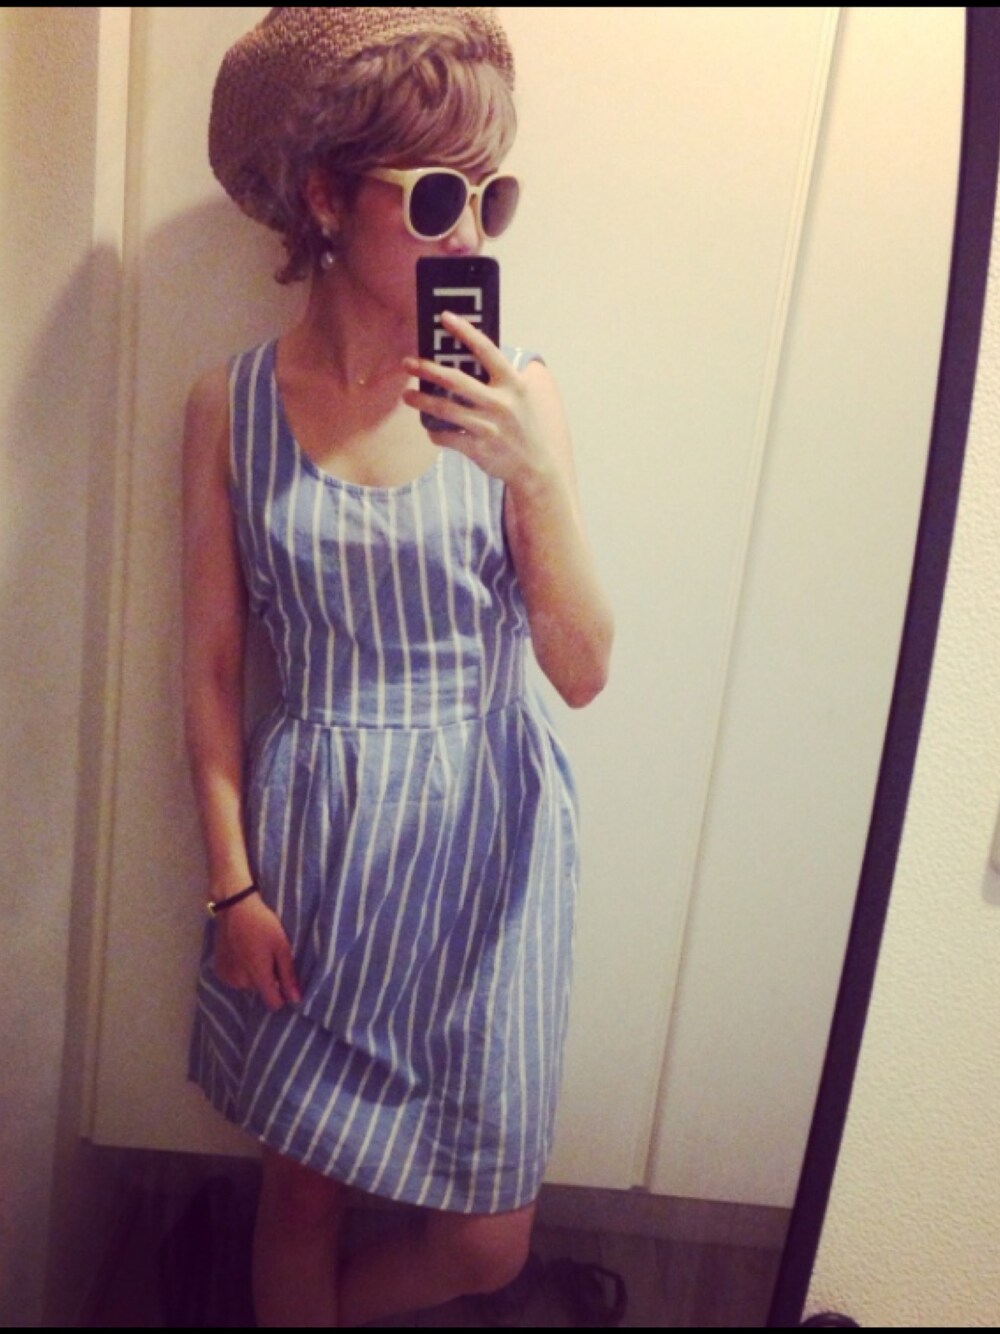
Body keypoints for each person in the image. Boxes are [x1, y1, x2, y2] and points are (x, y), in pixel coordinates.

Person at [182, 7, 613, 1327]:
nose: (471, 234)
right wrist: (232, 886)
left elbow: (583, 670)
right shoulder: (229, 407)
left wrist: (532, 479)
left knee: (487, 1242)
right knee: (300, 1199)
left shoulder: (518, 396)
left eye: (492, 196)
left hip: (491, 847)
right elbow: (211, 664)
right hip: (316, 846)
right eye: (436, 197)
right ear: (326, 196)